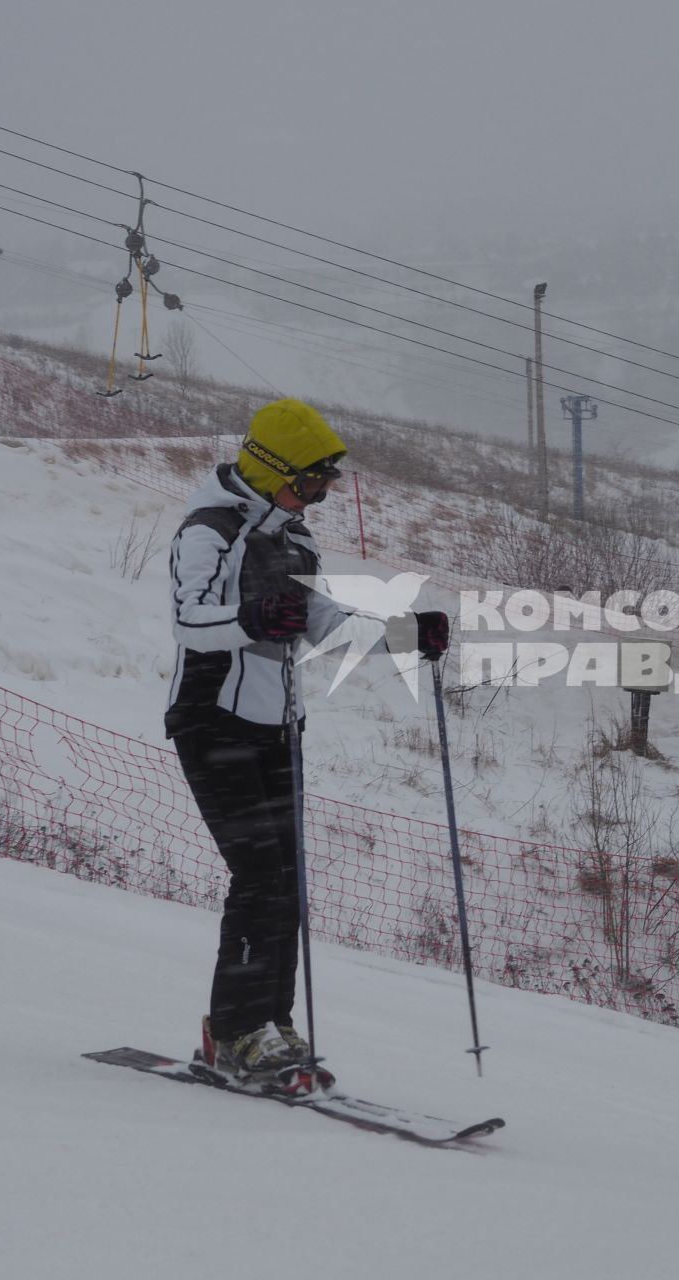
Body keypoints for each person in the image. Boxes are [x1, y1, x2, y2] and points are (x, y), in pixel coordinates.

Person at [165, 398, 446, 1081]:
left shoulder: (293, 539)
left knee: (286, 882)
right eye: (306, 481)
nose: (315, 495)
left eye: (323, 483)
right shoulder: (208, 529)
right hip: (211, 721)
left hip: (278, 728)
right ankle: (233, 1032)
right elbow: (189, 623)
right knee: (259, 878)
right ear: (268, 469)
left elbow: (321, 621)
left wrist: (405, 637)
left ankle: (273, 1024)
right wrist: (255, 617)